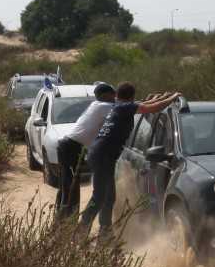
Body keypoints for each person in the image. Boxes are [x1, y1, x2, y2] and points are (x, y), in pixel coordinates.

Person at [78, 83, 181, 240]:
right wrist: (172, 98)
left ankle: (105, 232)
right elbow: (150, 108)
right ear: (131, 97)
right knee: (99, 196)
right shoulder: (123, 108)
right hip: (102, 156)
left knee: (109, 196)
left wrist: (165, 97)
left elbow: (145, 104)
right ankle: (82, 230)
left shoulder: (119, 106)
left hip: (102, 155)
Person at [56, 82, 116, 220]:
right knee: (70, 190)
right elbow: (128, 107)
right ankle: (64, 226)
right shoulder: (103, 106)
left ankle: (63, 224)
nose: (115, 97)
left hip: (71, 147)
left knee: (68, 188)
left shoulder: (96, 105)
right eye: (113, 94)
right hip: (69, 148)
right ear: (105, 95)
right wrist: (152, 101)